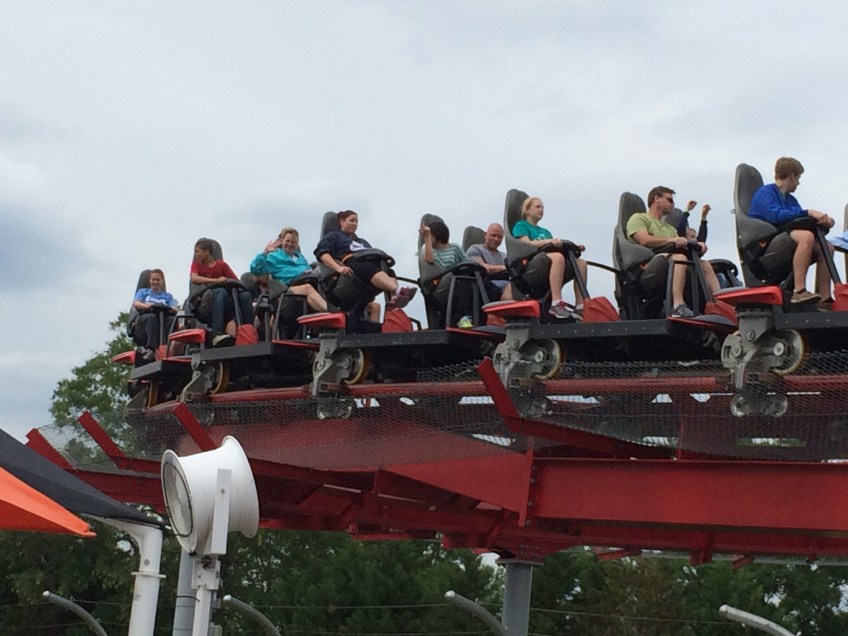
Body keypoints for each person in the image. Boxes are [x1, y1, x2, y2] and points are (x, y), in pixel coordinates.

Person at [748, 157, 835, 305]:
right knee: (806, 237)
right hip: (765, 244)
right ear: (792, 176)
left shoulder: (791, 200)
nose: (798, 183)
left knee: (827, 246)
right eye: (798, 178)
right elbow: (775, 216)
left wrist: (824, 220)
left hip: (785, 237)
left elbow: (799, 219)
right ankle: (799, 291)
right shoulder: (765, 193)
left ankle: (825, 297)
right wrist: (808, 212)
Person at [626, 186, 721, 318]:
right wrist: (671, 240)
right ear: (656, 198)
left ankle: (721, 305)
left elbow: (681, 245)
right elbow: (644, 240)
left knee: (704, 264)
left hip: (669, 262)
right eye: (669, 200)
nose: (673, 204)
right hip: (646, 269)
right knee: (679, 258)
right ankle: (678, 306)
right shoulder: (639, 218)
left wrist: (697, 245)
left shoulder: (670, 229)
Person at [314, 210, 417, 312]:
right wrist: (339, 268)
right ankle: (398, 290)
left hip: (365, 267)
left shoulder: (362, 242)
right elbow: (322, 254)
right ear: (342, 221)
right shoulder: (334, 236)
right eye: (352, 220)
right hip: (349, 267)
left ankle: (394, 299)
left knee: (388, 271)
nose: (355, 224)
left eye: (356, 222)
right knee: (366, 267)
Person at [513, 196, 588, 319]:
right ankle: (556, 304)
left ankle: (580, 306)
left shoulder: (545, 232)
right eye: (538, 207)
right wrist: (548, 242)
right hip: (530, 266)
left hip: (548, 262)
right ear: (527, 211)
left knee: (581, 263)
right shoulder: (521, 226)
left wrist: (574, 247)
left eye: (542, 207)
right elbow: (526, 244)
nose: (541, 210)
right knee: (557, 257)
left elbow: (553, 247)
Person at [190, 238, 255, 345]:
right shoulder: (196, 265)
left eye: (197, 251)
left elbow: (236, 281)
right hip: (206, 303)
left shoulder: (222, 265)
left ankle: (247, 331)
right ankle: (217, 333)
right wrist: (216, 280)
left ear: (206, 252)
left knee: (245, 296)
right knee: (220, 291)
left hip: (223, 301)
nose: (195, 254)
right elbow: (194, 278)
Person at [250, 227, 327, 312]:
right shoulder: (274, 256)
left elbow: (309, 272)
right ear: (282, 241)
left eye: (293, 242)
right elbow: (255, 270)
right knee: (307, 288)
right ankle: (331, 312)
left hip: (307, 283)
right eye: (287, 241)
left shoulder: (300, 257)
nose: (290, 244)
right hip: (287, 292)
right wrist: (265, 253)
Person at [132, 268, 179, 361]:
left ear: (162, 281)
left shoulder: (168, 296)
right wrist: (147, 306)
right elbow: (136, 303)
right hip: (145, 319)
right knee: (151, 317)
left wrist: (172, 309)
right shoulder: (143, 292)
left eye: (158, 280)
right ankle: (151, 349)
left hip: (162, 318)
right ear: (150, 280)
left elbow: (174, 308)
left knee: (171, 320)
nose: (155, 282)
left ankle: (168, 348)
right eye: (153, 279)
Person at [465, 223, 513, 300]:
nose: (496, 239)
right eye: (493, 235)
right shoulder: (475, 249)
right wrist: (504, 267)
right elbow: (482, 268)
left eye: (499, 237)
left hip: (507, 283)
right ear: (485, 235)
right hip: (486, 288)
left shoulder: (505, 256)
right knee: (512, 288)